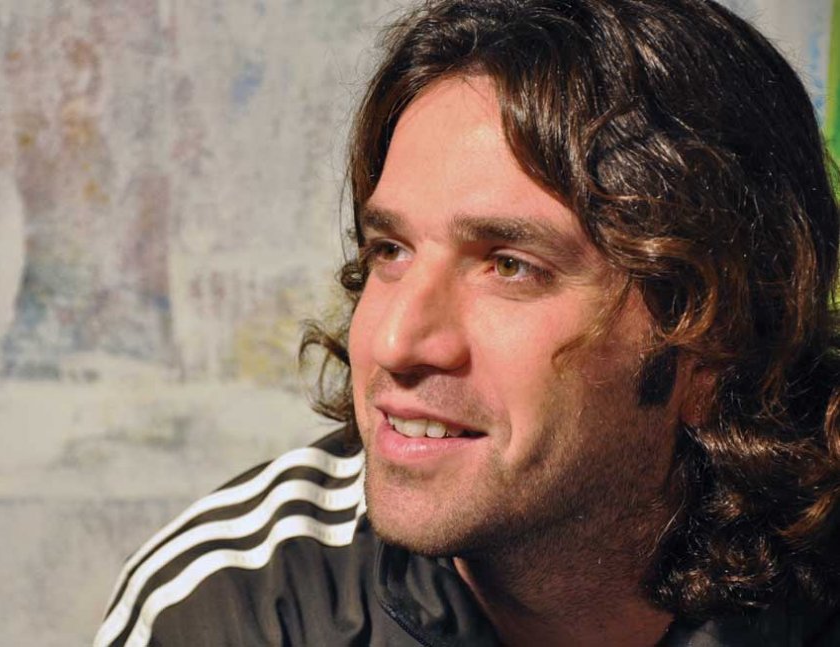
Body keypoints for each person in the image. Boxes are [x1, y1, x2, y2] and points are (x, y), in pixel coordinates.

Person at [94, 0, 840, 644]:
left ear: (715, 341)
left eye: (510, 266)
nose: (395, 342)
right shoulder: (238, 611)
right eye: (391, 251)